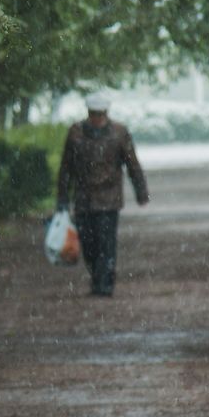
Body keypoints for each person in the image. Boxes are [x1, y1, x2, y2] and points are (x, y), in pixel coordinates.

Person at [56, 94, 149, 296]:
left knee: (106, 243)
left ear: (106, 113)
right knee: (88, 244)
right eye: (93, 114)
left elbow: (132, 164)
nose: (96, 118)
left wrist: (141, 192)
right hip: (83, 198)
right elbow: (66, 167)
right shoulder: (76, 133)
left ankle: (105, 283)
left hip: (109, 199)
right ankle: (96, 277)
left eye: (99, 114)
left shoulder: (119, 133)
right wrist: (62, 197)